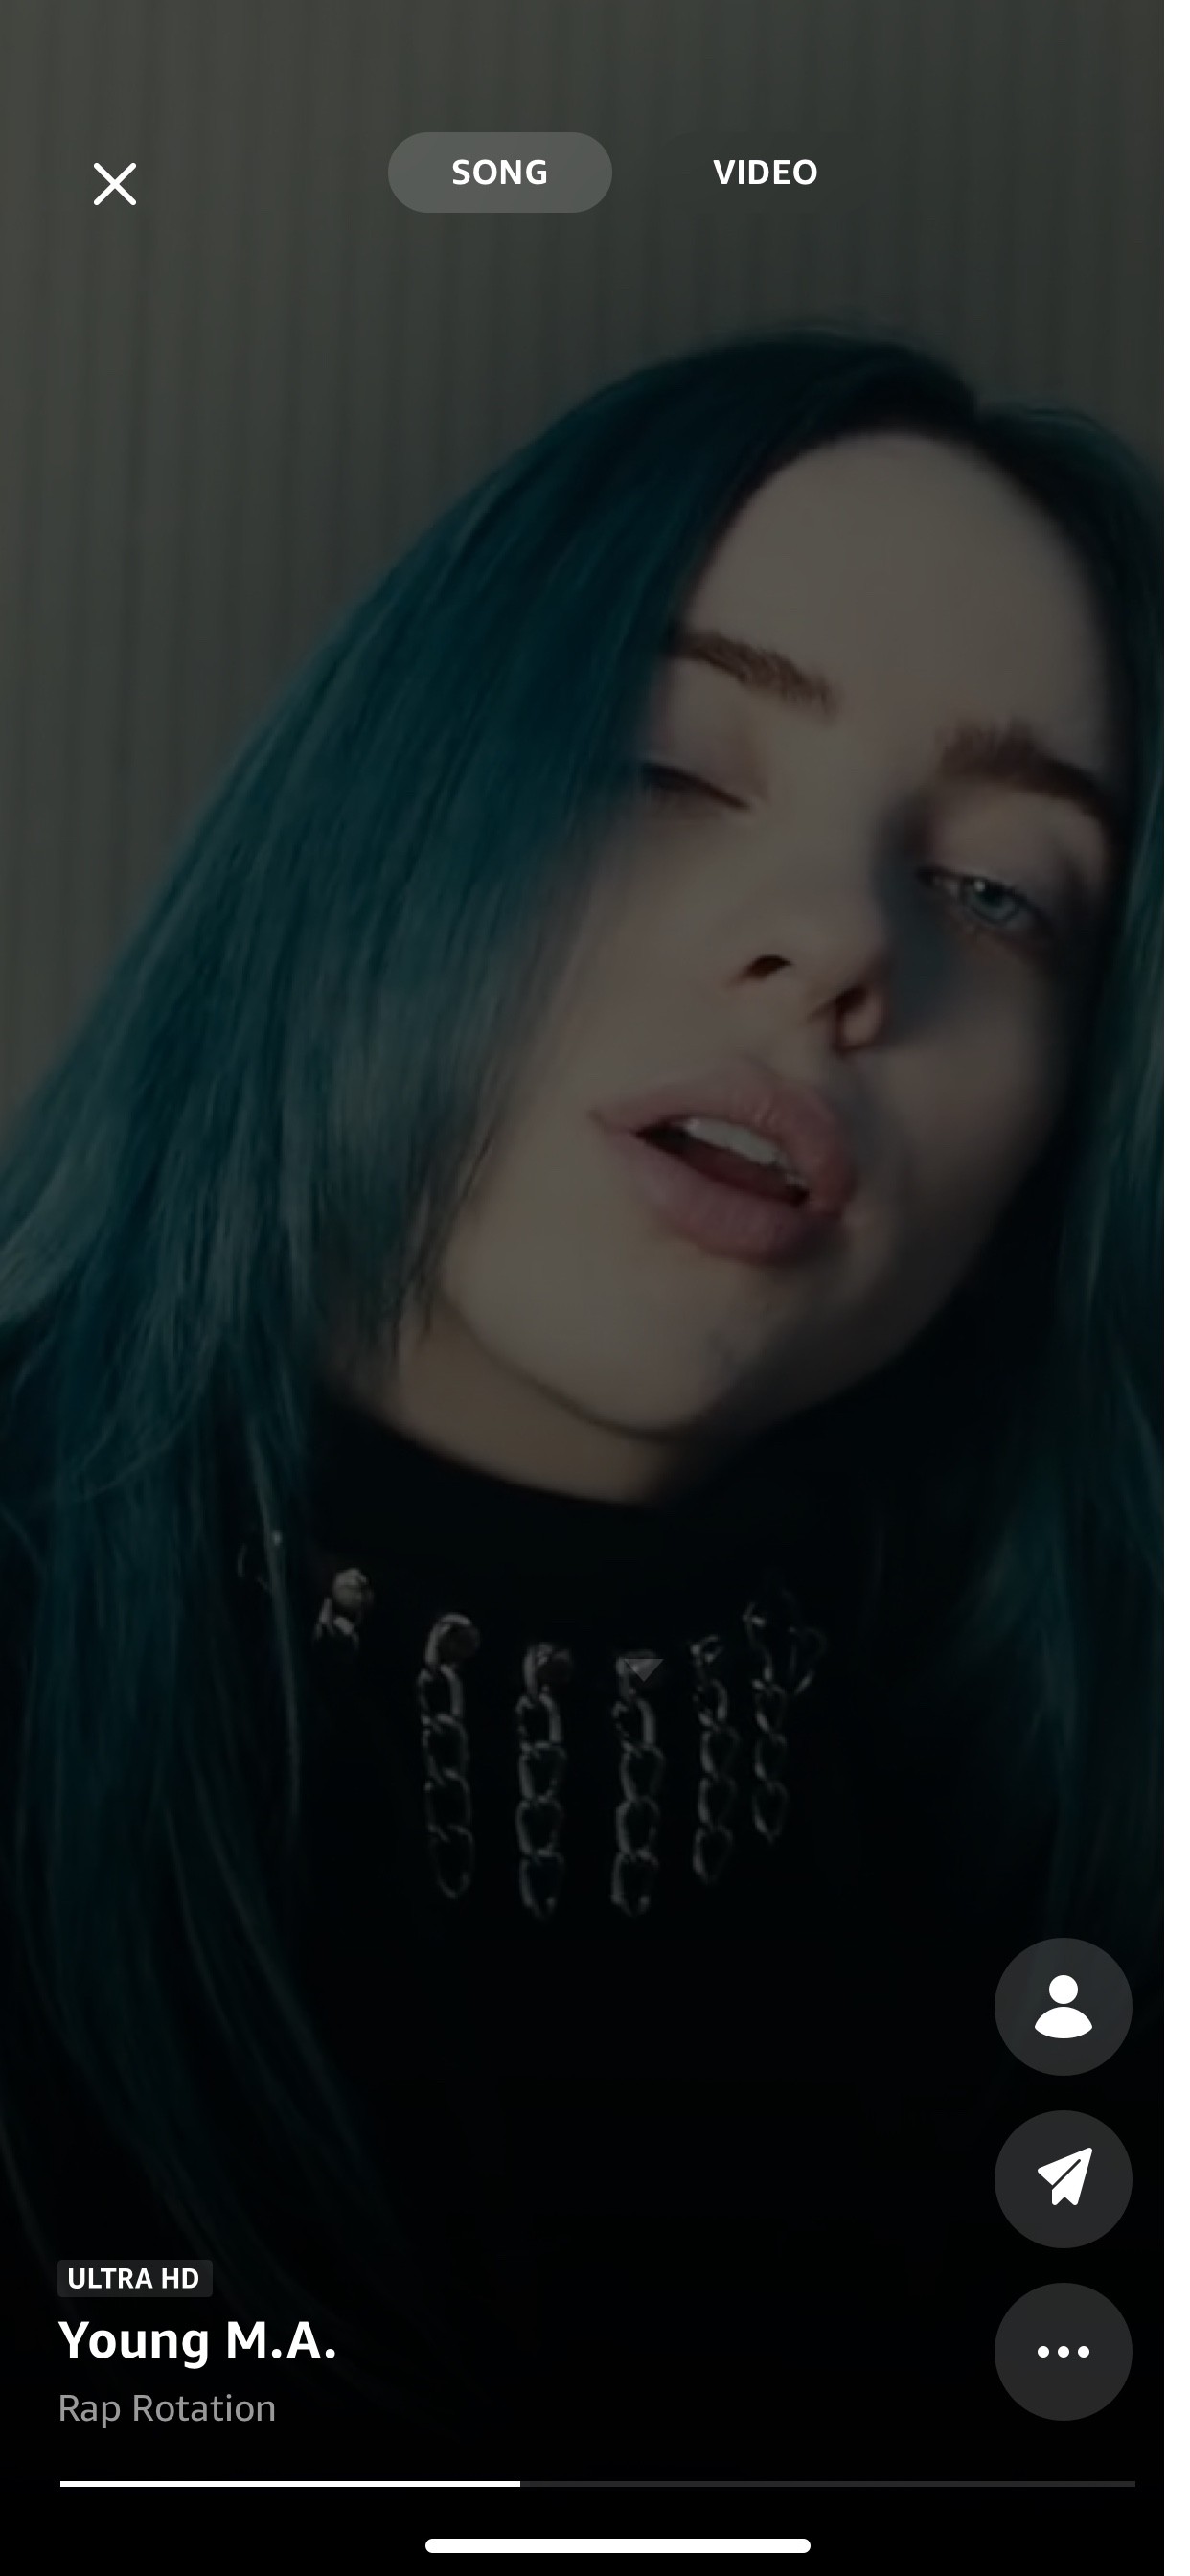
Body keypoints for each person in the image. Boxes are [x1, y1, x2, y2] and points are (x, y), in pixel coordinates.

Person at [0, 331, 1161, 2476]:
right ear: (373, 820)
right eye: (666, 766)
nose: (841, 943)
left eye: (1004, 891)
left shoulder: (1081, 1868)